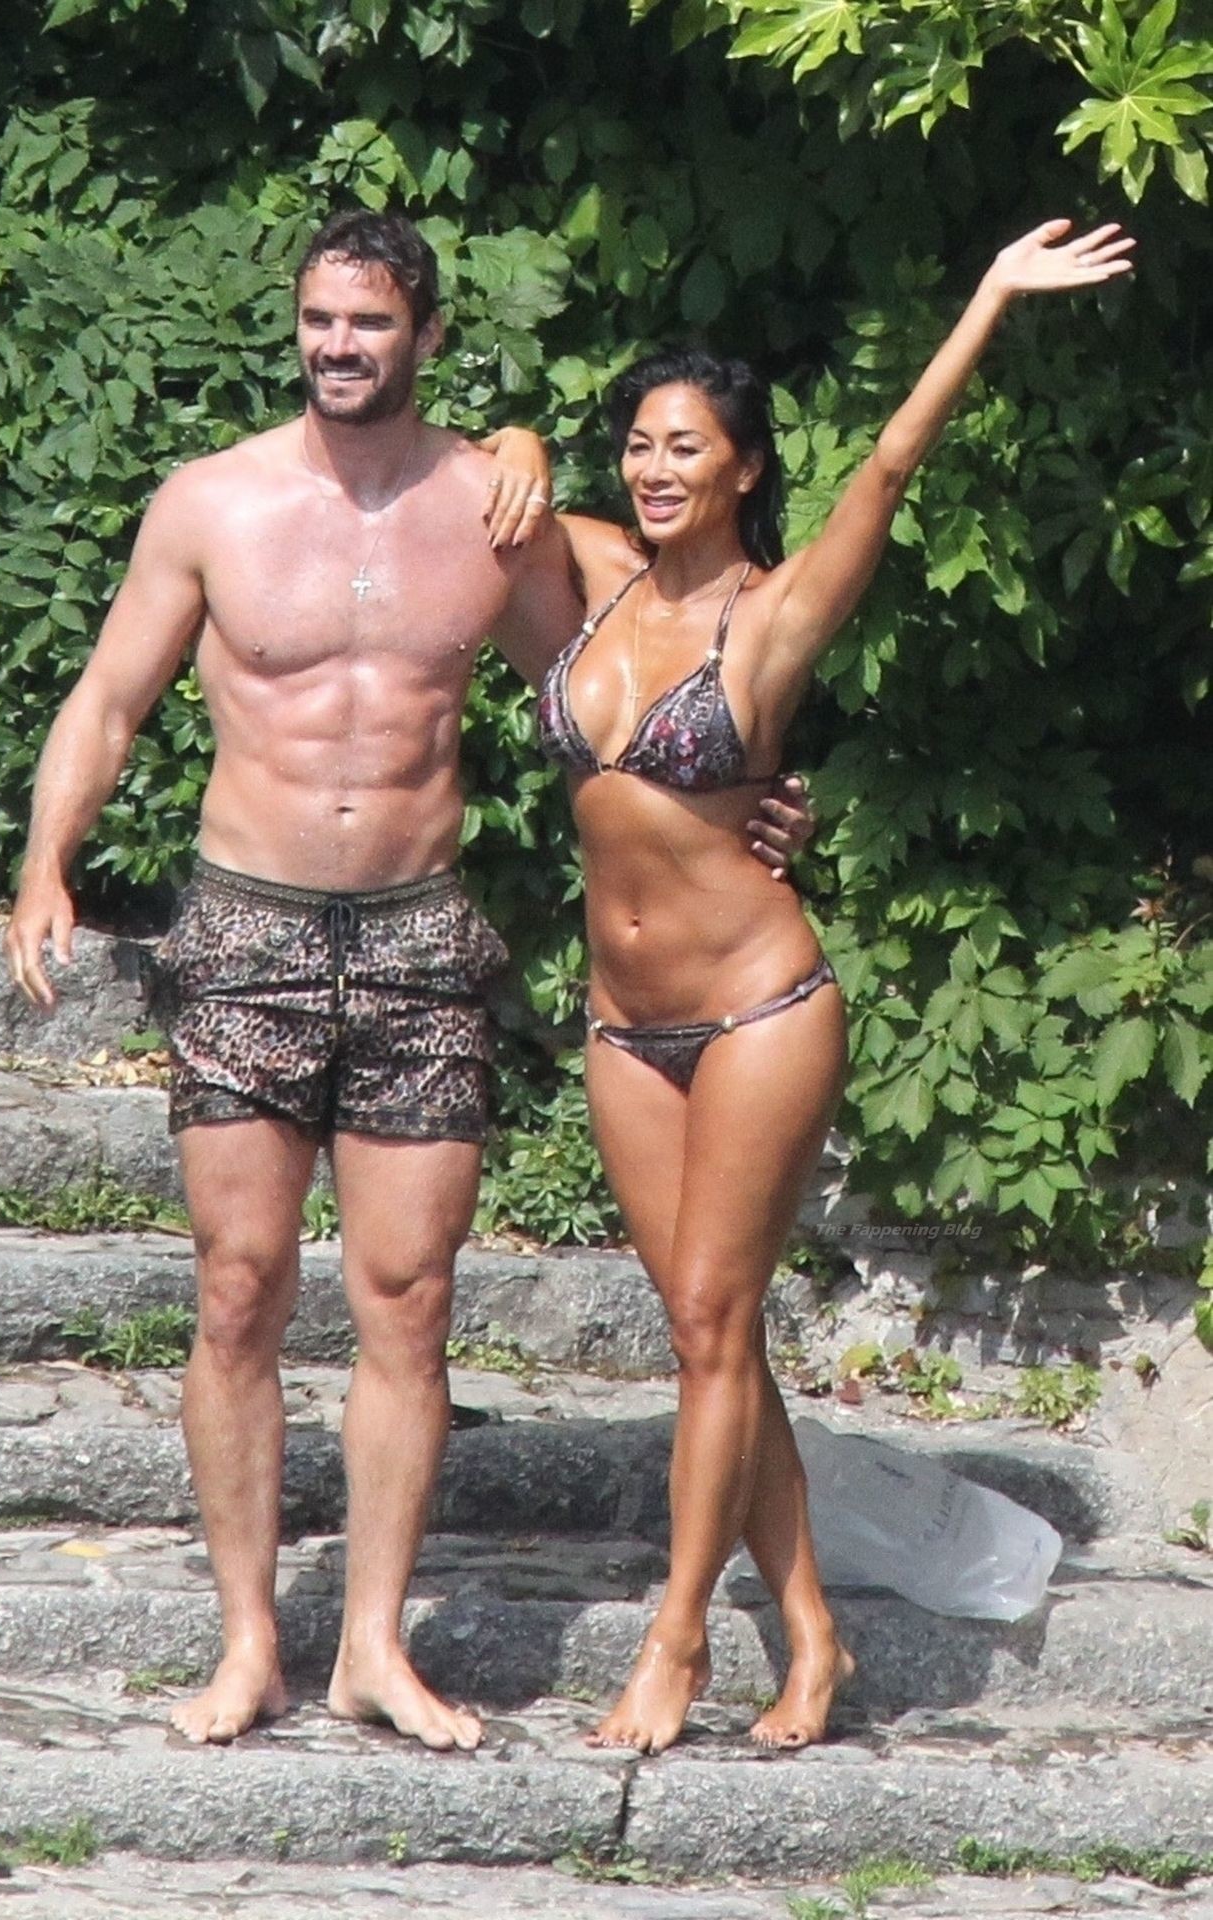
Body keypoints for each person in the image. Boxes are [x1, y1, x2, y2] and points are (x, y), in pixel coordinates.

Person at [3, 208, 812, 1752]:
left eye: (370, 323)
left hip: (419, 940)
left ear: (426, 336)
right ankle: (249, 1642)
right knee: (238, 1286)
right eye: (319, 320)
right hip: (246, 928)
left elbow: (630, 689)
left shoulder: (491, 517)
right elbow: (107, 699)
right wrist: (49, 860)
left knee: (408, 1298)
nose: (338, 346)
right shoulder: (213, 503)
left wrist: (749, 801)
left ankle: (373, 1642)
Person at [525, 217, 1135, 1755]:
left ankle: (677, 1642)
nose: (654, 467)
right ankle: (813, 1636)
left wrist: (987, 294)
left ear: (743, 468)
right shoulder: (594, 573)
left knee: (713, 1321)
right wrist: (522, 439)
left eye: (686, 447)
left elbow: (888, 469)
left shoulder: (773, 613)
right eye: (637, 443)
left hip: (758, 1010)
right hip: (622, 1025)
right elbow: (483, 480)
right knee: (710, 1340)